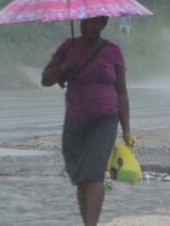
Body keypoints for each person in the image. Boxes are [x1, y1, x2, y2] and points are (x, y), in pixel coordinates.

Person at [41, 16, 131, 226]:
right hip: (75, 119)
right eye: (85, 22)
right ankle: (87, 222)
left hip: (105, 120)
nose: (88, 26)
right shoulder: (68, 48)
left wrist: (126, 129)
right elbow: (46, 80)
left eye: (94, 23)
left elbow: (122, 93)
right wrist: (66, 65)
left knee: (94, 173)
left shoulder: (113, 52)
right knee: (80, 178)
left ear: (103, 24)